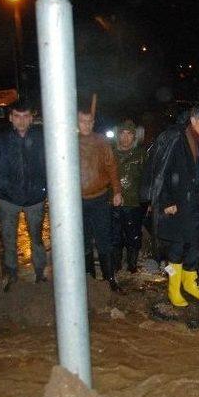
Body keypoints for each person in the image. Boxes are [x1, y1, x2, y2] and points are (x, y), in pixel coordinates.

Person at [141, 103, 199, 307]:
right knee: (178, 246)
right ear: (193, 120)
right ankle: (174, 289)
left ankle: (190, 284)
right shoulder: (177, 139)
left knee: (196, 244)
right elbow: (163, 172)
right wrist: (166, 201)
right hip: (180, 204)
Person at [0, 99, 48, 290]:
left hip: (35, 198)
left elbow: (50, 164)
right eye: (17, 116)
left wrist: (46, 190)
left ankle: (40, 273)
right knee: (8, 238)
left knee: (36, 238)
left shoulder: (41, 138)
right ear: (11, 118)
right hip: (7, 199)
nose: (21, 121)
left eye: (26, 116)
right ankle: (11, 274)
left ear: (31, 118)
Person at [78, 106, 123, 292]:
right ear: (76, 122)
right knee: (84, 240)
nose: (86, 125)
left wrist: (117, 191)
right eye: (82, 121)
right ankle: (89, 278)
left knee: (104, 239)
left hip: (99, 199)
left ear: (93, 123)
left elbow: (112, 167)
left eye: (89, 121)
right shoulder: (69, 143)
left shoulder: (101, 141)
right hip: (78, 202)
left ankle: (110, 278)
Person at [111, 119, 146, 274]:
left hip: (134, 203)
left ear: (134, 136)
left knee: (134, 235)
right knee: (115, 235)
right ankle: (116, 264)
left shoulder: (141, 154)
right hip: (113, 202)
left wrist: (148, 200)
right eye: (122, 134)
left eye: (129, 134)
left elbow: (147, 178)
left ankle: (132, 265)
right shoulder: (110, 152)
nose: (125, 137)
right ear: (118, 135)